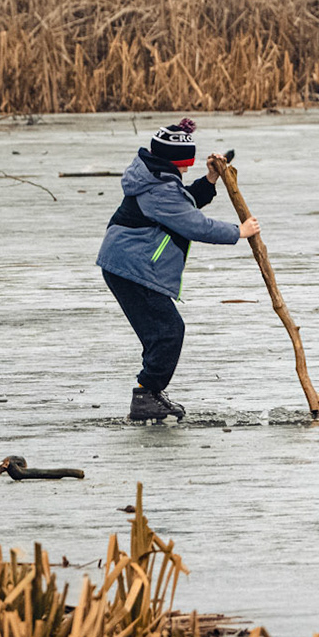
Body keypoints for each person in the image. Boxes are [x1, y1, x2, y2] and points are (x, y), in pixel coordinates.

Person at [96, 118, 259, 421]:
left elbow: (186, 202)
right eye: (185, 164)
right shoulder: (160, 190)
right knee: (169, 331)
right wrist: (238, 232)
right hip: (132, 267)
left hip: (126, 264)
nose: (186, 170)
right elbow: (193, 224)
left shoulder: (156, 180)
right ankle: (146, 395)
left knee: (160, 332)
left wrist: (210, 179)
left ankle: (149, 393)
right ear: (174, 161)